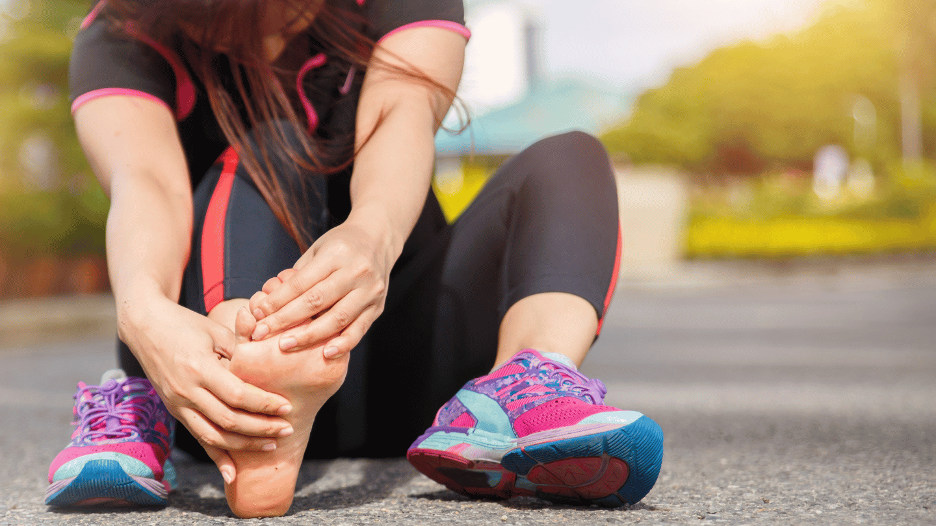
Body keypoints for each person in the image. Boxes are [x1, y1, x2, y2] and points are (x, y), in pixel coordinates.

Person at [45, 0, 663, 518]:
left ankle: (522, 389)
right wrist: (142, 313)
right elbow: (147, 184)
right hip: (209, 389)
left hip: (412, 379)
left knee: (571, 159)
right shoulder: (123, 32)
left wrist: (369, 236)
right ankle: (252, 378)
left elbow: (402, 112)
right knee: (269, 141)